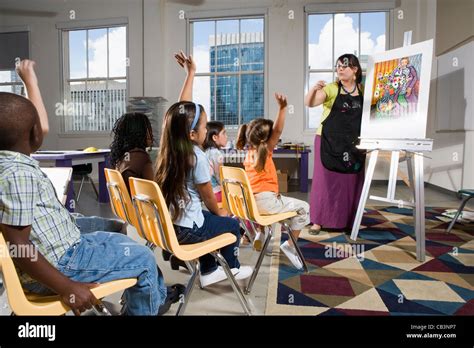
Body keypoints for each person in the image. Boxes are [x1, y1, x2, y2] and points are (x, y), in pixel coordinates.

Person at [0, 60, 173, 316]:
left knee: (117, 235)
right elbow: (18, 244)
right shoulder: (17, 173)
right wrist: (66, 286)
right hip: (62, 263)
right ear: (35, 131)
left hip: (63, 248)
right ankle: (147, 304)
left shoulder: (10, 163)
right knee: (145, 259)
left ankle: (150, 299)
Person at [154, 51, 252, 287]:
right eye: (205, 126)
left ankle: (209, 270)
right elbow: (208, 194)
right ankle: (231, 269)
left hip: (172, 227)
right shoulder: (196, 156)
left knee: (206, 219)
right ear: (191, 134)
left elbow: (180, 114)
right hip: (187, 233)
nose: (207, 130)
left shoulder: (171, 149)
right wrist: (221, 213)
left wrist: (191, 74)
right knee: (229, 224)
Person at [236, 93, 310, 270]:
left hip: (250, 206)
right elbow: (277, 130)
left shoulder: (248, 155)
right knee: (304, 208)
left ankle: (260, 234)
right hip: (266, 203)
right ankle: (290, 246)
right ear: (267, 140)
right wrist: (283, 108)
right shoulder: (266, 151)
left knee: (268, 205)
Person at [304, 53, 365, 234]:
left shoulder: (363, 90)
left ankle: (350, 220)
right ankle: (318, 221)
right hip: (328, 141)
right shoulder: (331, 88)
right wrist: (314, 89)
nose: (339, 68)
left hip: (353, 144)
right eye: (337, 66)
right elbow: (310, 103)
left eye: (344, 66)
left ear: (354, 69)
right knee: (324, 182)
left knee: (351, 181)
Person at [110, 112, 154, 193]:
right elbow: (154, 190)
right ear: (140, 132)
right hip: (141, 204)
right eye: (148, 128)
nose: (151, 133)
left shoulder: (122, 158)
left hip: (129, 204)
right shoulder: (142, 157)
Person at [202, 121, 227, 203]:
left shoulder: (206, 152)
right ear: (215, 137)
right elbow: (221, 178)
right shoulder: (216, 154)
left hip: (206, 194)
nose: (226, 136)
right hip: (216, 194)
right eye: (224, 133)